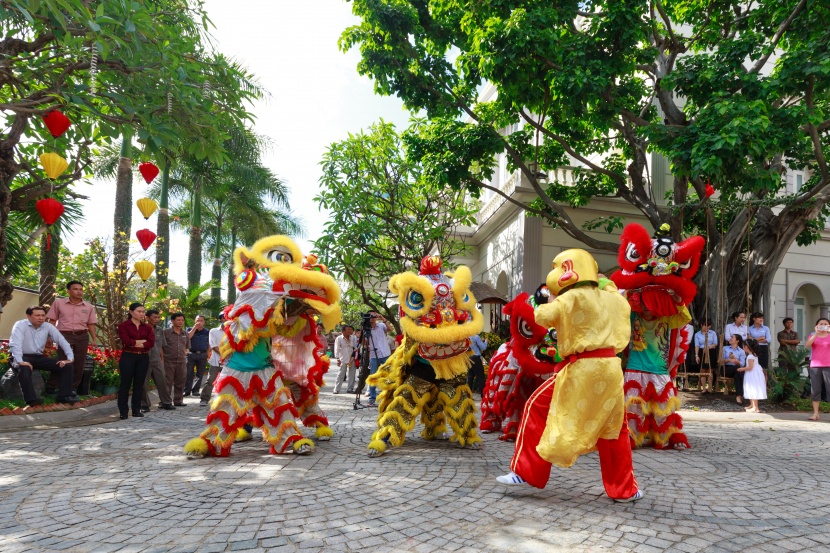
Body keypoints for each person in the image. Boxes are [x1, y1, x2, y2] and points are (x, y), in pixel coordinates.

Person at [498, 249, 641, 502]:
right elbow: (616, 296)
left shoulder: (570, 298)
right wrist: (603, 281)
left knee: (536, 406)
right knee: (614, 428)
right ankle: (625, 489)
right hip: (610, 369)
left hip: (581, 369)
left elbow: (541, 317)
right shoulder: (611, 297)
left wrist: (544, 299)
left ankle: (526, 472)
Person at [9, 306, 79, 406]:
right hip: (18, 356)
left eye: (43, 315)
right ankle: (31, 400)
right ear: (28, 316)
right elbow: (15, 344)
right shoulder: (20, 325)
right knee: (23, 368)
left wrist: (70, 359)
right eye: (37, 315)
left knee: (67, 366)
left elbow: (62, 341)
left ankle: (64, 396)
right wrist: (20, 361)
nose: (41, 318)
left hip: (37, 357)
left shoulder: (47, 326)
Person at [45, 280, 98, 392]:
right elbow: (52, 321)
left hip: (82, 335)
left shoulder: (88, 307)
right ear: (68, 291)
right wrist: (48, 337)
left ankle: (71, 389)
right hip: (64, 335)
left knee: (79, 363)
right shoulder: (59, 303)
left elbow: (91, 324)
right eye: (75, 289)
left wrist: (94, 339)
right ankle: (51, 387)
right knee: (62, 361)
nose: (79, 292)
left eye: (81, 289)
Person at [116, 303, 154, 419]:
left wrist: (135, 343)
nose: (142, 314)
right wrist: (141, 342)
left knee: (139, 385)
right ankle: (123, 412)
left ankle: (136, 410)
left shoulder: (147, 327)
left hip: (143, 357)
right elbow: (127, 342)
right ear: (131, 312)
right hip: (128, 356)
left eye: (143, 312)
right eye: (139, 311)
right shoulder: (123, 326)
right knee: (125, 385)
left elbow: (151, 343)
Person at [141, 309, 174, 412]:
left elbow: (161, 347)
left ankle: (166, 402)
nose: (157, 319)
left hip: (157, 360)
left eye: (158, 317)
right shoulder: (141, 329)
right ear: (147, 317)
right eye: (154, 317)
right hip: (144, 360)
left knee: (163, 382)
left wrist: (162, 360)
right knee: (143, 384)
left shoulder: (159, 330)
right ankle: (144, 405)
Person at [163, 312, 190, 406]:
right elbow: (161, 347)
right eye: (178, 320)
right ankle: (166, 402)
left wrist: (184, 354)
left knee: (180, 381)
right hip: (168, 361)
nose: (180, 322)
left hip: (181, 362)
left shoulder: (185, 333)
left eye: (182, 320)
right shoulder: (165, 332)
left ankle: (178, 401)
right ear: (172, 321)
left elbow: (187, 347)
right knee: (167, 382)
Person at [806, 317, 830, 421]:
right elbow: (807, 345)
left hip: (828, 365)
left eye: (825, 324)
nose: (823, 325)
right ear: (817, 325)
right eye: (821, 324)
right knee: (815, 390)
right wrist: (816, 333)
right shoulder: (812, 335)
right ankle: (815, 413)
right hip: (815, 366)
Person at [200, 313, 226, 406]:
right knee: (210, 380)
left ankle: (224, 401)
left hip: (230, 362)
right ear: (220, 319)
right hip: (216, 361)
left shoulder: (234, 331)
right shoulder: (213, 331)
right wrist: (225, 354)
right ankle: (204, 399)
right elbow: (214, 346)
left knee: (228, 382)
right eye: (224, 317)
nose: (226, 319)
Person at [366, 312, 392, 407]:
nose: (372, 318)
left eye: (374, 316)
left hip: (385, 354)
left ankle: (388, 397)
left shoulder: (381, 325)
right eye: (370, 316)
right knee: (373, 377)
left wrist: (382, 318)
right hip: (374, 355)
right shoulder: (366, 329)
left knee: (388, 376)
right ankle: (372, 398)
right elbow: (364, 343)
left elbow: (390, 329)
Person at [739, 339, 766, 413]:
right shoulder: (753, 354)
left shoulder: (750, 356)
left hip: (752, 374)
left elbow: (750, 367)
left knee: (753, 389)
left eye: (743, 347)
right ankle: (752, 405)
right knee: (750, 389)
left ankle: (755, 407)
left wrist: (742, 369)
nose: (743, 348)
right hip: (753, 373)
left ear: (746, 347)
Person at [185, 314, 210, 396]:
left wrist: (207, 354)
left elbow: (209, 343)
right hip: (191, 354)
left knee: (199, 373)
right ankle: (187, 390)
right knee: (188, 373)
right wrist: (194, 328)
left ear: (204, 322)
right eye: (197, 320)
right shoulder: (189, 329)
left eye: (201, 320)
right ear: (194, 321)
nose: (199, 322)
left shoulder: (207, 332)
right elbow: (187, 337)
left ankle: (195, 390)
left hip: (202, 354)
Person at [693, 318, 718, 394]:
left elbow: (715, 343)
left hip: (711, 351)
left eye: (709, 326)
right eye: (706, 326)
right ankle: (704, 388)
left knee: (710, 370)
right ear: (701, 325)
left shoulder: (712, 333)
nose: (707, 327)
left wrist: (708, 347)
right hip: (701, 351)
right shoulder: (697, 334)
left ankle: (710, 387)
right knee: (703, 370)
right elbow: (697, 345)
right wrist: (696, 355)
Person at [332, 325, 357, 394]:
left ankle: (350, 388)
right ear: (343, 331)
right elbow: (336, 349)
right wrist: (337, 358)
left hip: (352, 359)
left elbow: (355, 347)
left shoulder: (353, 338)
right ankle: (336, 389)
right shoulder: (339, 338)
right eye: (347, 330)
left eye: (350, 329)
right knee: (341, 374)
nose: (349, 331)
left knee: (352, 374)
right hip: (343, 358)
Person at [722, 334, 747, 403]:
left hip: (737, 370)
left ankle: (738, 396)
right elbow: (721, 361)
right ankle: (743, 392)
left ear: (737, 341)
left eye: (732, 337)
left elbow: (742, 364)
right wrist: (730, 360)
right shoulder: (725, 348)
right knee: (739, 371)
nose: (730, 338)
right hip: (726, 369)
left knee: (737, 374)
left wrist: (735, 360)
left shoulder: (741, 351)